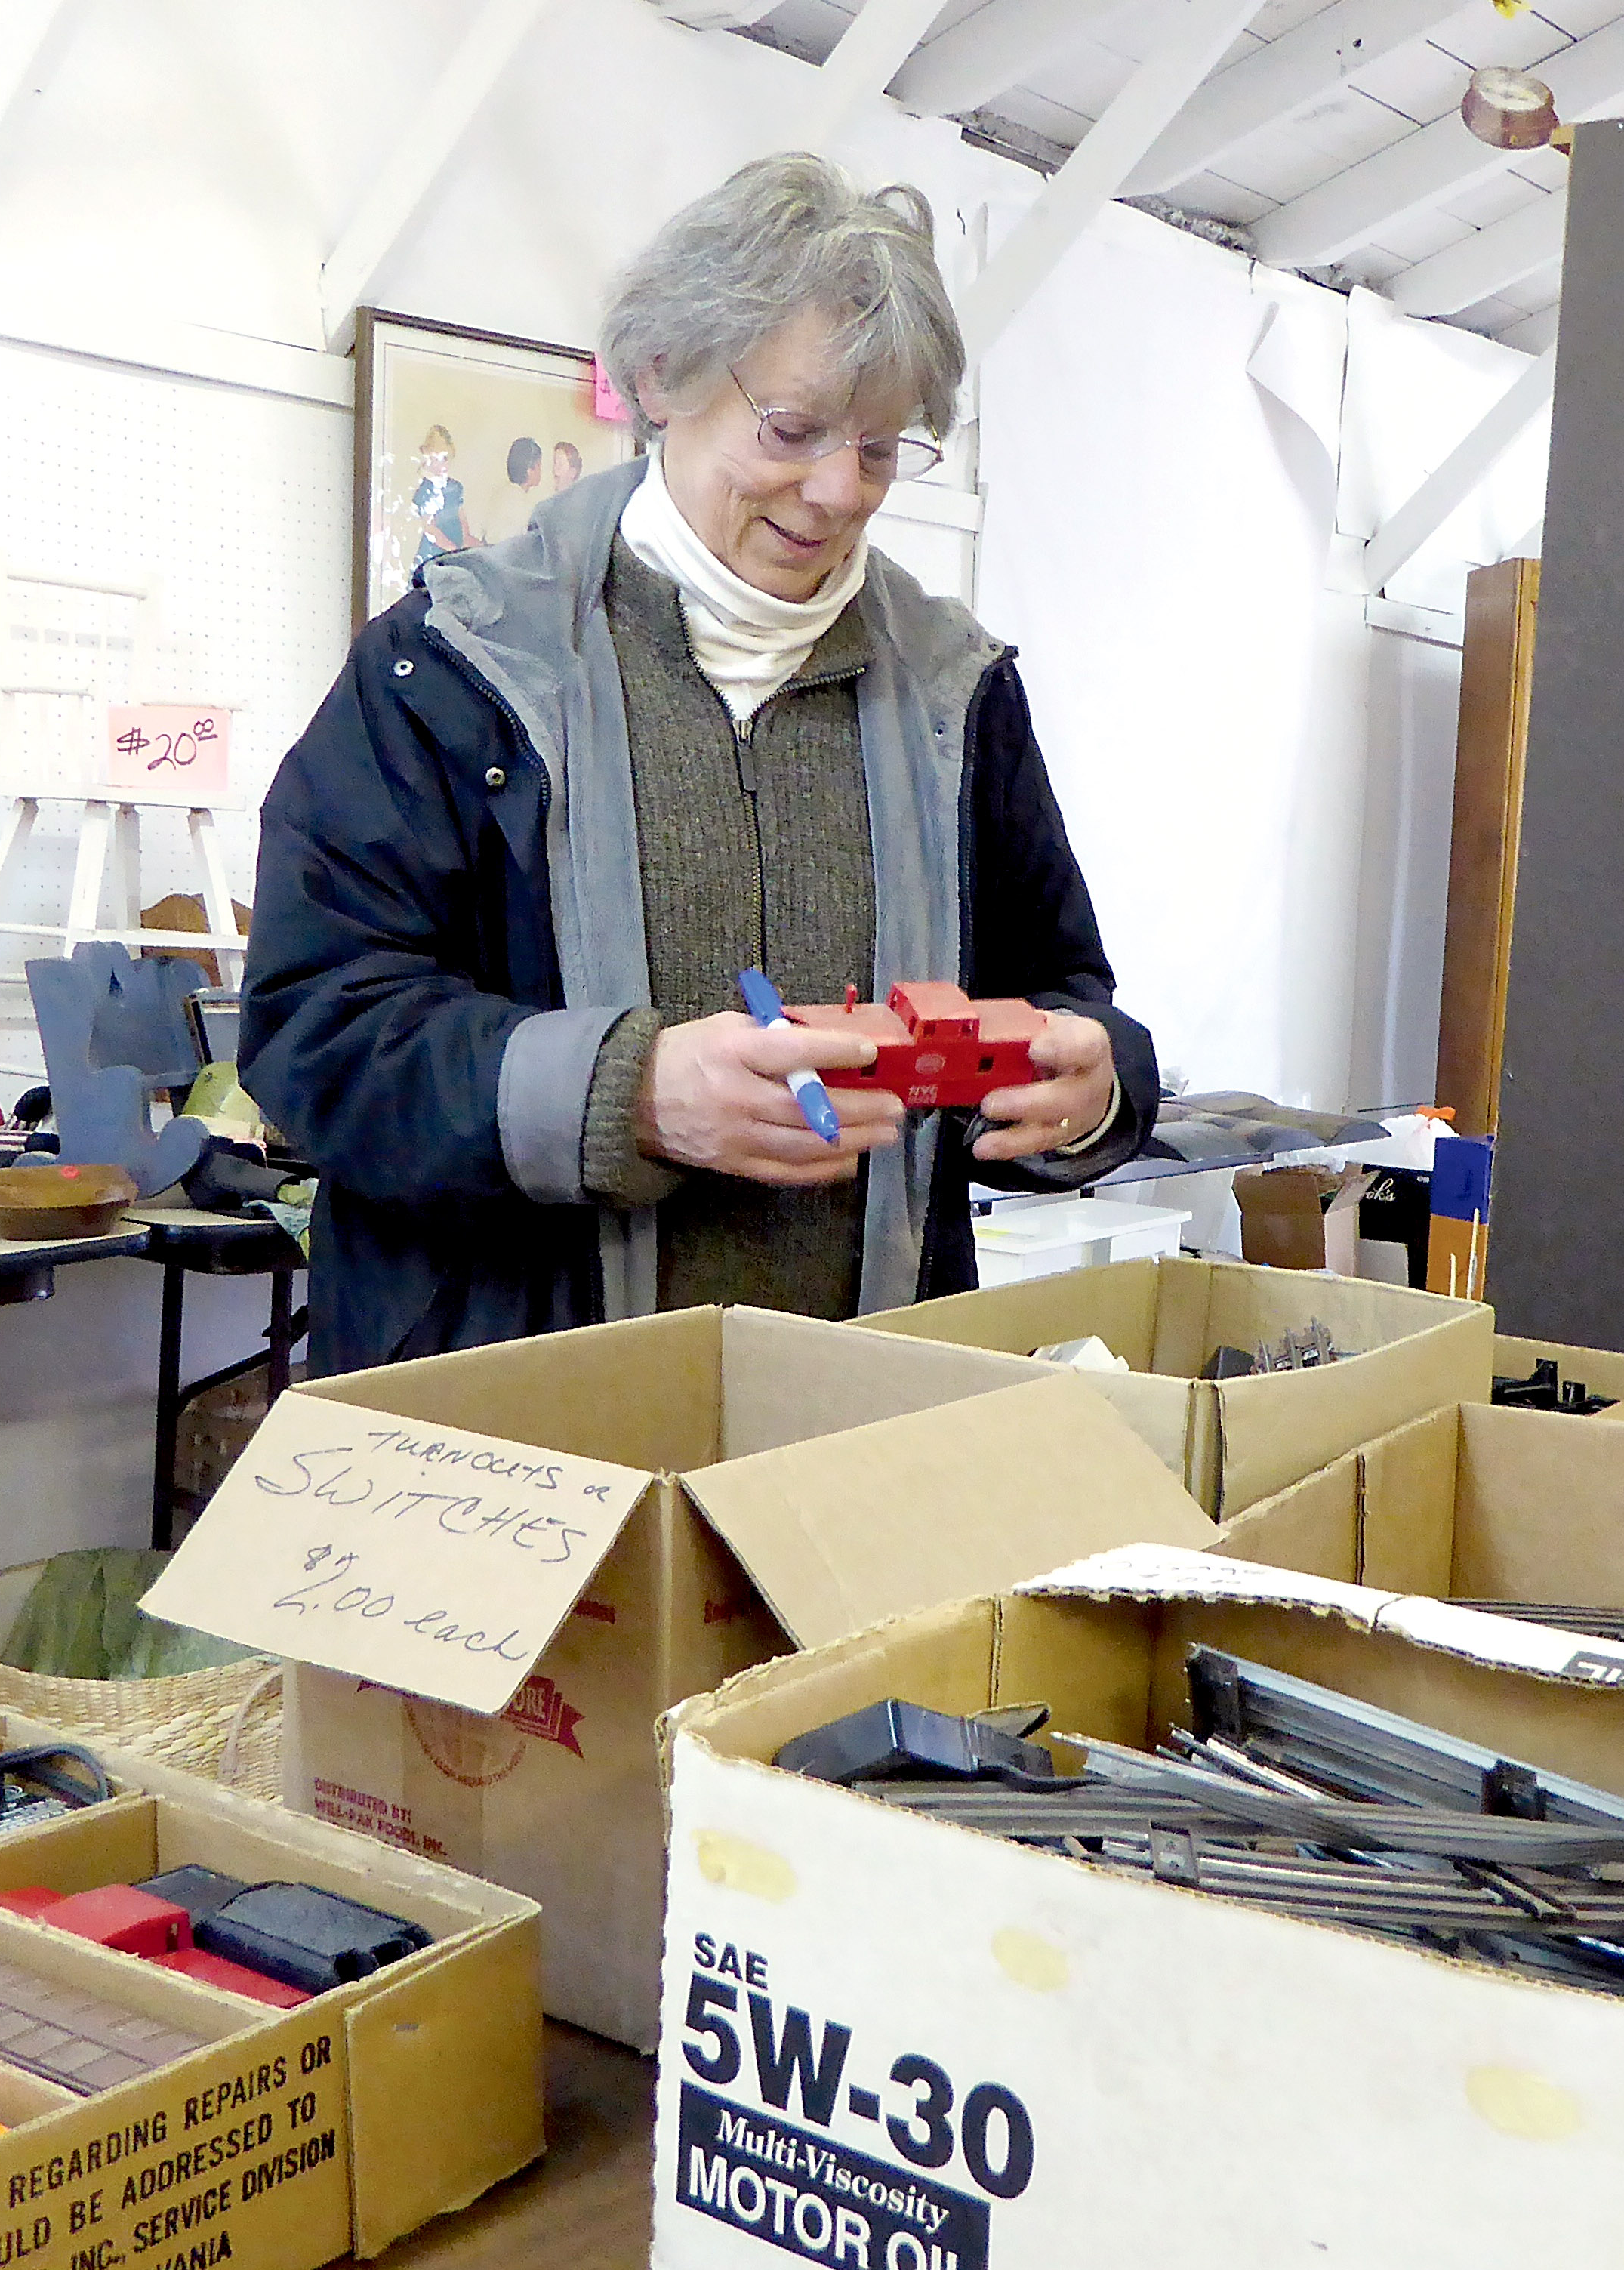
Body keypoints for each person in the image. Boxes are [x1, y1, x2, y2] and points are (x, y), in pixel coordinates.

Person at [243, 155, 1155, 1373]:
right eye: (794, 430)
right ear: (663, 378)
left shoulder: (957, 695)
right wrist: (630, 1096)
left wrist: (1091, 1095)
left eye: (882, 449)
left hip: (848, 1424)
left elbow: (1060, 995)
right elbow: (319, 1036)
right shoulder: (450, 670)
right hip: (511, 1424)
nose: (838, 491)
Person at [409, 427, 467, 560]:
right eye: (438, 458)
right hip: (434, 555)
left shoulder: (455, 487)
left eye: (447, 458)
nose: (443, 464)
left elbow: (463, 523)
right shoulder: (425, 490)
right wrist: (454, 549)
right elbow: (430, 529)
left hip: (457, 553)